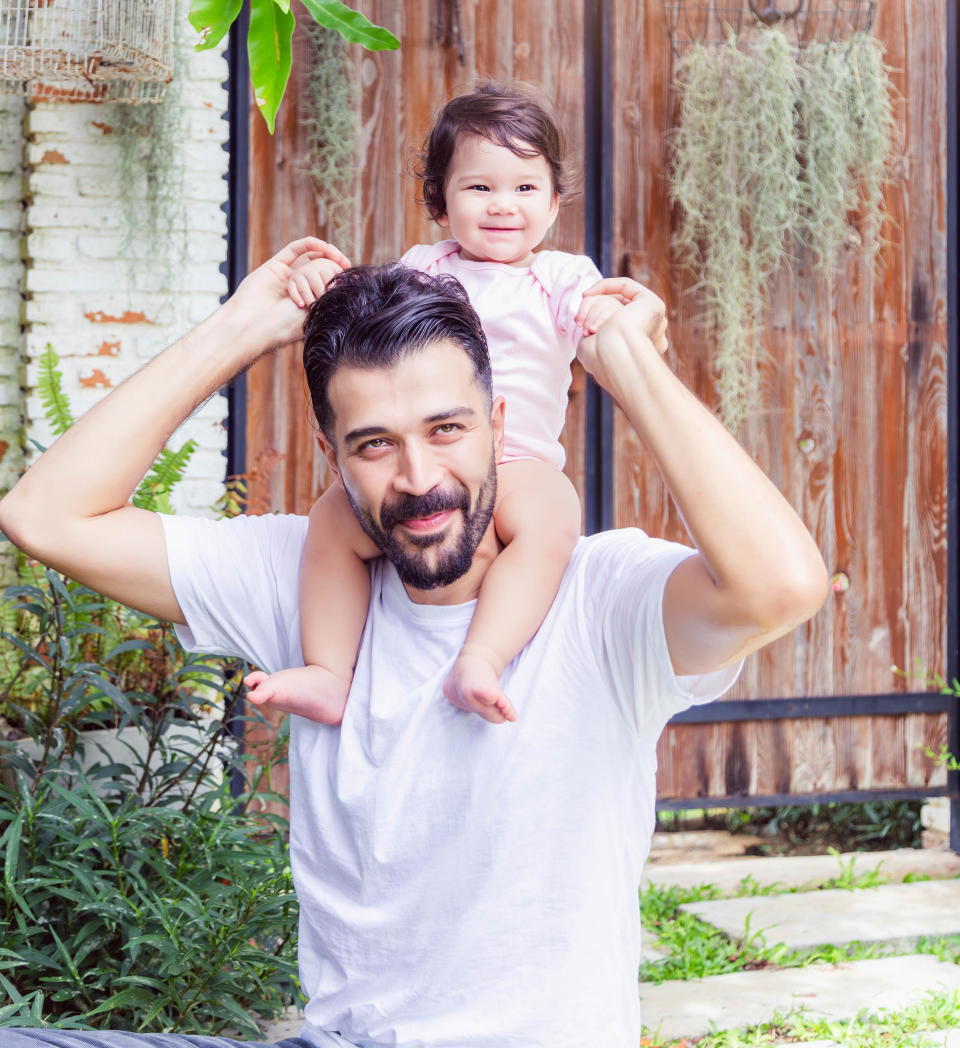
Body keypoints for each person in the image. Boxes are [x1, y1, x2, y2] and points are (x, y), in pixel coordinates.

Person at [0, 238, 828, 1048]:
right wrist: (240, 329)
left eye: (446, 429)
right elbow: (46, 516)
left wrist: (632, 367)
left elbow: (781, 587)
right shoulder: (310, 580)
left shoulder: (598, 602)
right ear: (334, 454)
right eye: (374, 444)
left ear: (498, 426)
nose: (419, 478)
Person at [245, 83, 631, 728]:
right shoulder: (426, 266)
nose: (503, 205)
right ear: (441, 203)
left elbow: (601, 320)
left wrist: (617, 315)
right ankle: (329, 672)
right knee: (331, 521)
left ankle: (481, 657)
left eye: (526, 188)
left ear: (556, 201)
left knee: (553, 522)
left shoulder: (563, 278)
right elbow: (365, 312)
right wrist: (317, 285)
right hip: (427, 447)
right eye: (479, 188)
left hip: (517, 462)